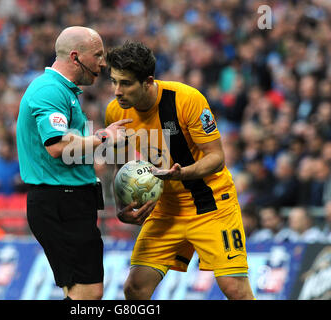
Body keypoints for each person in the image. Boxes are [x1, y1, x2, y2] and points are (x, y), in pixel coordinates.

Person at [104, 41, 255, 300]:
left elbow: (217, 158)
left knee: (234, 288)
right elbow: (122, 165)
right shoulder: (115, 111)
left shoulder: (188, 100)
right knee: (135, 288)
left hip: (211, 205)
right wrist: (123, 204)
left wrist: (181, 174)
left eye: (126, 83)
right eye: (114, 81)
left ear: (148, 81)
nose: (117, 91)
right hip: (166, 209)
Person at [16, 26, 131, 300]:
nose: (103, 63)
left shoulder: (62, 91)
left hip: (67, 201)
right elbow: (57, 145)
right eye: (98, 55)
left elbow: (67, 148)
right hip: (61, 202)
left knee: (79, 292)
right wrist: (104, 137)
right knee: (88, 293)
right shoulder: (49, 91)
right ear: (76, 57)